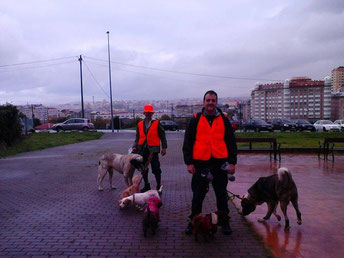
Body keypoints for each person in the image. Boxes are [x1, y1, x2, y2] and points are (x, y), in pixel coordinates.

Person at [182, 90, 238, 235]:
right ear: (204, 102)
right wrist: (189, 162)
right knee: (198, 196)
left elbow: (231, 142)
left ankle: (224, 222)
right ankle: (193, 222)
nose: (210, 103)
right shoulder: (195, 119)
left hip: (219, 163)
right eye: (208, 100)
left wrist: (232, 162)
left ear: (216, 102)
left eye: (213, 100)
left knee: (221, 195)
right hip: (200, 163)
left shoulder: (224, 120)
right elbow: (188, 142)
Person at [132, 104, 167, 192]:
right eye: (146, 112)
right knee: (143, 168)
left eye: (149, 112)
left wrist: (164, 147)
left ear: (152, 113)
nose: (148, 114)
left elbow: (162, 136)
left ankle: (159, 185)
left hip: (153, 149)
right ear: (144, 113)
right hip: (142, 149)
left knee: (156, 168)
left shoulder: (156, 123)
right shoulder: (140, 124)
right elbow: (137, 136)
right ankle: (146, 185)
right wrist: (134, 146)